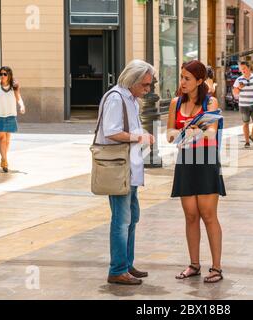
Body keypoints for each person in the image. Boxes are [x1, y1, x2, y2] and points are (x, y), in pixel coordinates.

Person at [166, 60, 226, 283]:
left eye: (187, 78)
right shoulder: (175, 103)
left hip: (206, 161)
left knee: (208, 215)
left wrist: (196, 130)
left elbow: (212, 132)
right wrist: (181, 132)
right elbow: (169, 134)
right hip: (186, 161)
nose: (182, 82)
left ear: (200, 81)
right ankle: (194, 264)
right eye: (181, 77)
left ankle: (217, 268)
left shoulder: (210, 102)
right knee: (190, 216)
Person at [98, 60, 156, 285]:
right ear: (132, 80)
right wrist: (139, 137)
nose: (148, 89)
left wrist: (141, 134)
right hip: (120, 168)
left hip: (129, 168)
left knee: (132, 217)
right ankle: (118, 269)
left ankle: (126, 264)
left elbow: (129, 129)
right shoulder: (116, 98)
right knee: (121, 220)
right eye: (145, 85)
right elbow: (111, 131)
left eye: (149, 85)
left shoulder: (130, 99)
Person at [0, 66, 26, 173]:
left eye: (5, 74)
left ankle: (3, 158)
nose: (2, 76)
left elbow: (18, 97)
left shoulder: (14, 86)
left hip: (10, 116)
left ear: (9, 75)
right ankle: (4, 160)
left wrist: (22, 106)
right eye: (1, 74)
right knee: (2, 139)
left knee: (7, 140)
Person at [233, 61, 253, 148]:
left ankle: (252, 136)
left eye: (244, 68)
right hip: (243, 105)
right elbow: (235, 93)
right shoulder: (239, 79)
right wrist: (239, 87)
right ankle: (247, 142)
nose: (243, 70)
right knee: (246, 123)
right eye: (241, 69)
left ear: (249, 68)